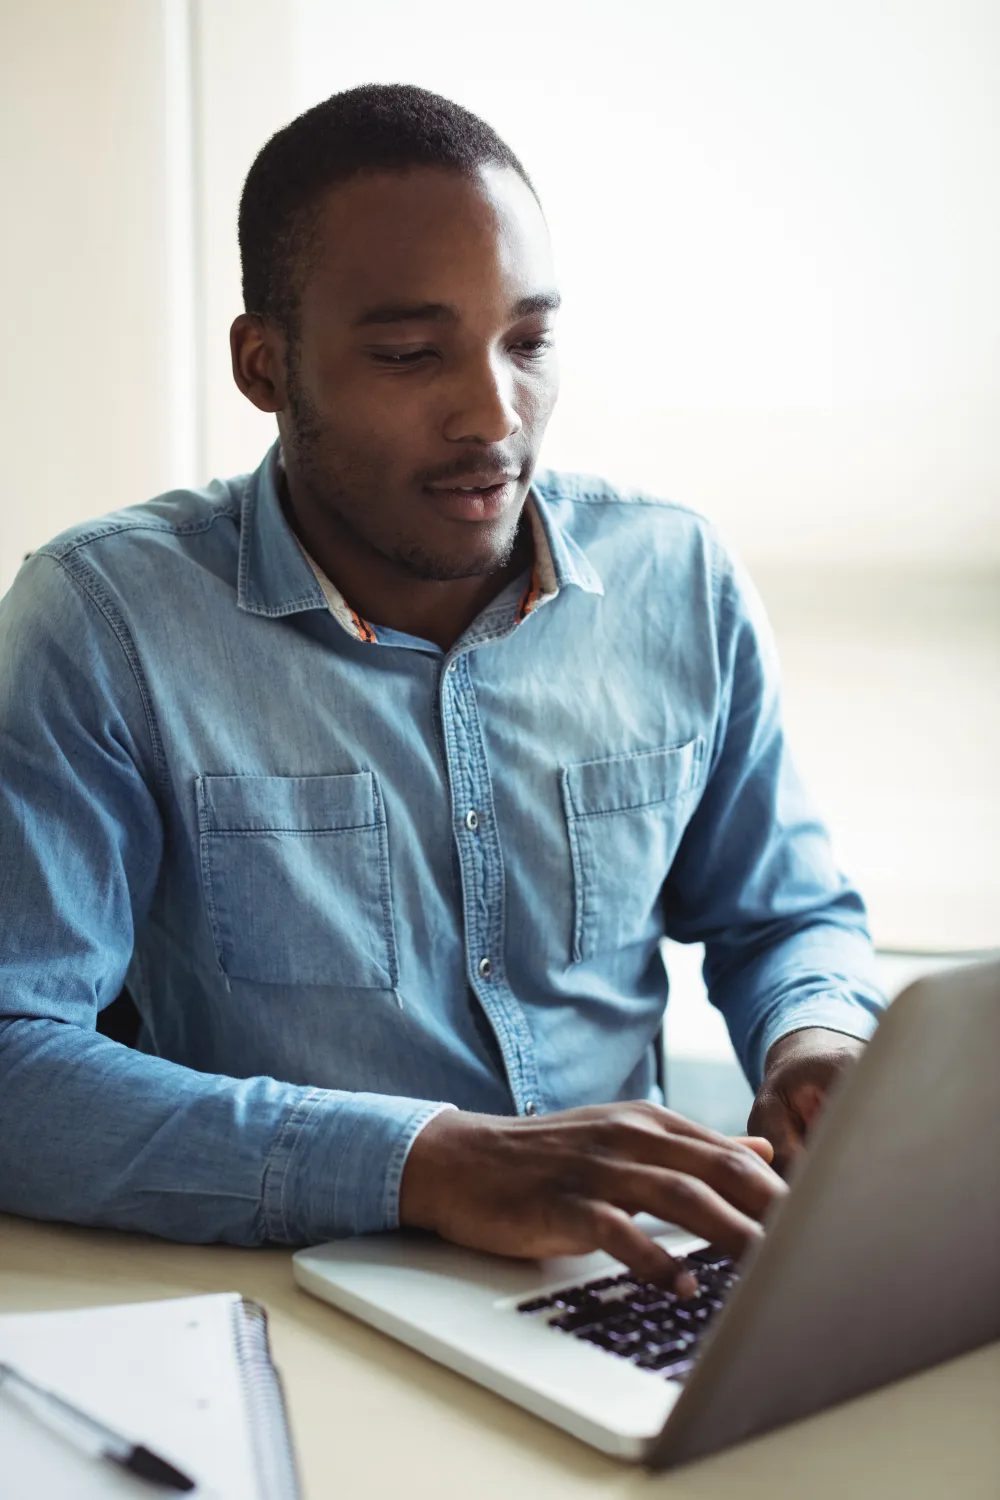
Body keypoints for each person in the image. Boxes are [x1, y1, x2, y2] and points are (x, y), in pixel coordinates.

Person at [0, 83, 884, 1289]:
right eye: (412, 355)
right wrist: (425, 1163)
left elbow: (782, 916)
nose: (493, 412)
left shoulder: (677, 575)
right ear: (266, 366)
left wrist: (814, 1039)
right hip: (308, 1290)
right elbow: (13, 1062)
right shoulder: (103, 620)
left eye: (527, 342)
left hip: (639, 1285)